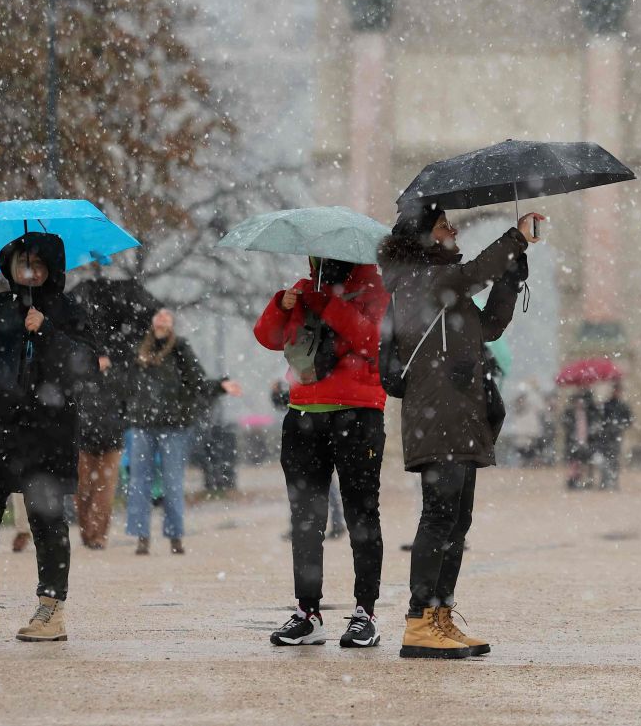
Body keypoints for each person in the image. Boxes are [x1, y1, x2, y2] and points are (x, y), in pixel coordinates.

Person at [377, 203, 540, 660]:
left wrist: (510, 278)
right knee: (438, 518)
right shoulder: (418, 280)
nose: (453, 230)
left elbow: (488, 326)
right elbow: (471, 274)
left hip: (460, 415)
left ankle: (440, 615)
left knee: (457, 521)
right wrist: (515, 240)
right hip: (439, 415)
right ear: (425, 237)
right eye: (444, 225)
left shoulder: (444, 284)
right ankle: (419, 620)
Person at [0, 232, 97, 645]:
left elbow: (87, 366)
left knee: (47, 521)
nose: (28, 271)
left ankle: (51, 610)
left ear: (51, 270)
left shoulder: (68, 311)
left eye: (37, 264)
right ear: (10, 268)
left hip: (45, 433)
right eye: (21, 263)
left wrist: (48, 331)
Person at [254, 254, 392, 649]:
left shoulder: (377, 291)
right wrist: (281, 303)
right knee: (305, 517)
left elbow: (372, 339)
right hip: (303, 414)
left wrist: (329, 303)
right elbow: (268, 337)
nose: (322, 262)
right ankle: (307, 613)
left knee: (361, 513)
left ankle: (365, 612)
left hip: (359, 413)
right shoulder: (302, 289)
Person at [123, 307, 239, 556]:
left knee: (172, 482)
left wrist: (220, 385)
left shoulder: (180, 349)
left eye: (167, 316)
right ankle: (142, 537)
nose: (162, 319)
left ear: (172, 324)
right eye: (158, 315)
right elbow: (126, 385)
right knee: (138, 482)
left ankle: (175, 535)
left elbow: (197, 381)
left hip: (174, 427)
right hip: (142, 426)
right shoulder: (138, 350)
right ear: (152, 322)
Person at [68, 276, 152, 550]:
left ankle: (99, 534)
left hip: (111, 435)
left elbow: (128, 395)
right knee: (82, 490)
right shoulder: (79, 367)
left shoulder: (120, 369)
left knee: (105, 489)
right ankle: (87, 529)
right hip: (82, 435)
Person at [597, 381, 633, 490]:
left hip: (616, 436)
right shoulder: (607, 405)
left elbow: (629, 421)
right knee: (605, 460)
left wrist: (619, 425)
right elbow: (601, 419)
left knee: (614, 460)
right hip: (606, 437)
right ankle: (604, 481)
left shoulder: (622, 406)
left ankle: (613, 481)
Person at [563, 387, 598, 489]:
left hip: (587, 442)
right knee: (574, 463)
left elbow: (593, 425)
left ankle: (587, 481)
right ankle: (573, 481)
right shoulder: (569, 413)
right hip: (574, 442)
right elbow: (566, 425)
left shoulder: (589, 413)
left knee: (587, 463)